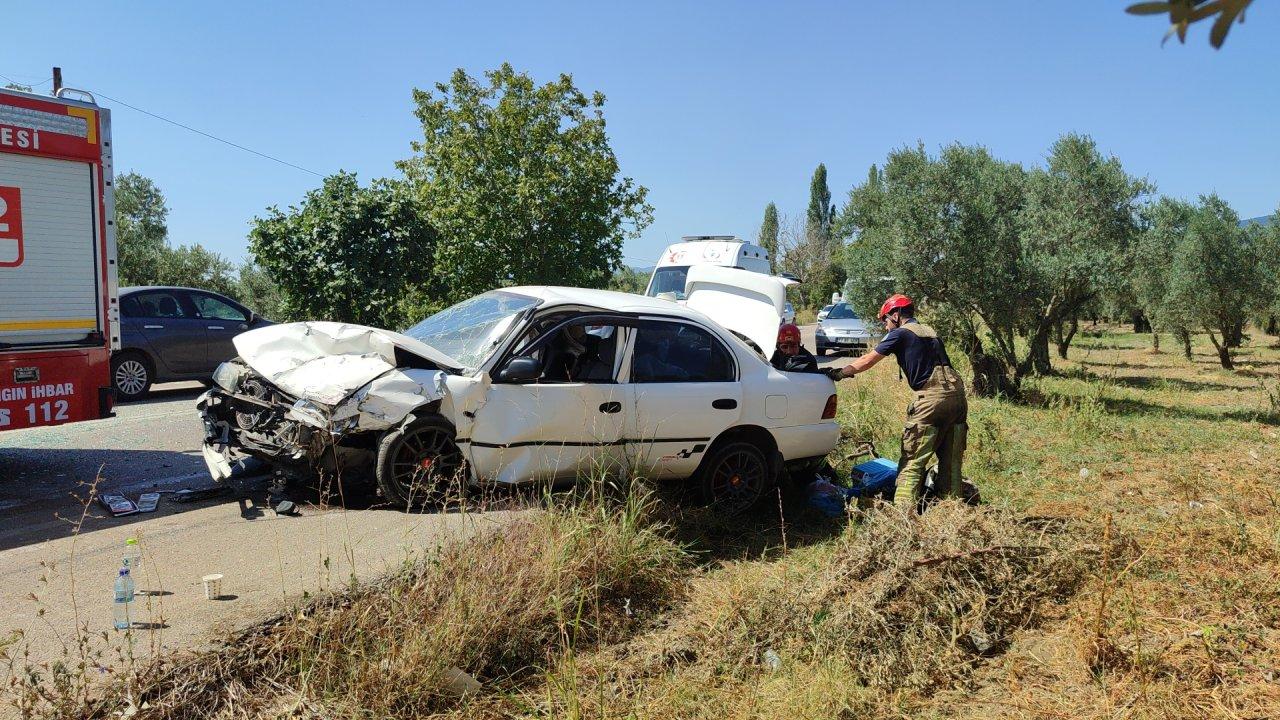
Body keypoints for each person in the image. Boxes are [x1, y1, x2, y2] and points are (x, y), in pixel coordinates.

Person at [826, 294, 967, 512]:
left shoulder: (900, 333)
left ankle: (903, 518)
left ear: (896, 314)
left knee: (912, 463)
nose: (885, 325)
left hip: (931, 399)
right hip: (958, 398)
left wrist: (840, 373)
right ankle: (952, 513)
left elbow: (867, 360)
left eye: (885, 319)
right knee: (952, 465)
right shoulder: (929, 331)